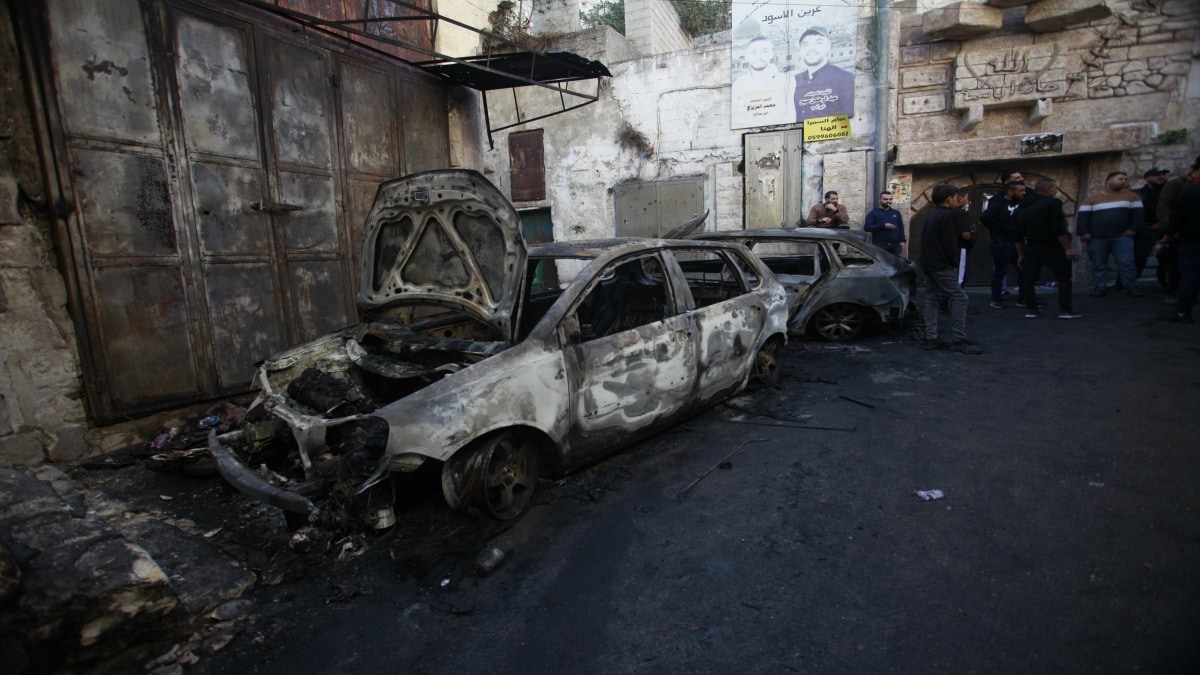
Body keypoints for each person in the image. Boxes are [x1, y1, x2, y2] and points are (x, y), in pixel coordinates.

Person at [920, 184, 982, 354]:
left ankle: (931, 337)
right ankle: (958, 339)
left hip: (930, 262)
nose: (958, 200)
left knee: (932, 298)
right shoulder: (948, 216)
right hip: (941, 264)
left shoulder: (932, 214)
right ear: (949, 199)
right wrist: (952, 263)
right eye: (956, 197)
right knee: (960, 298)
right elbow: (949, 243)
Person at [1014, 178, 1081, 319]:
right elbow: (1057, 228)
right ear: (1048, 189)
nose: (1056, 192)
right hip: (1052, 246)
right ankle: (1066, 310)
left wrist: (1021, 254)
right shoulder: (1052, 203)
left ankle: (1031, 309)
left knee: (1029, 278)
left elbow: (1017, 234)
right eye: (1055, 188)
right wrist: (1068, 248)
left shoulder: (1022, 207)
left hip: (1032, 246)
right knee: (1064, 278)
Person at [1076, 171, 1144, 296]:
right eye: (1120, 179)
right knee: (1098, 264)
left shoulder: (1131, 196)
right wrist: (1084, 232)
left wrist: (1133, 228)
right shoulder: (1092, 199)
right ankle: (1100, 287)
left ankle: (1131, 287)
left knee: (1126, 263)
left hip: (1122, 236)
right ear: (1109, 181)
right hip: (1097, 237)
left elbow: (1138, 215)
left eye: (1125, 179)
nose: (1123, 181)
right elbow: (1083, 217)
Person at [1161, 155, 1200, 323]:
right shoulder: (1182, 186)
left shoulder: (1190, 190)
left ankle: (1183, 312)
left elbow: (1178, 217)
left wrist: (1166, 237)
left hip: (1191, 239)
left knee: (1189, 276)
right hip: (1191, 238)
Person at [980, 181, 1026, 308]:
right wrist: (1000, 228)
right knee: (1000, 270)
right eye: (1020, 191)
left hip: (1017, 241)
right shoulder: (998, 204)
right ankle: (996, 299)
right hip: (1002, 241)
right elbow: (985, 217)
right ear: (1010, 192)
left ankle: (1023, 298)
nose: (1023, 193)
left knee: (1023, 269)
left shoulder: (1021, 204)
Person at [792, 26, 855, 121]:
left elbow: (848, 119)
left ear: (828, 46)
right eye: (806, 44)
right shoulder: (794, 81)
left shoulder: (844, 78)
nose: (811, 49)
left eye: (818, 43)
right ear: (800, 50)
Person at [731, 36, 795, 128]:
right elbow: (736, 119)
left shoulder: (787, 81)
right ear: (748, 56)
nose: (758, 56)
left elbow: (790, 117)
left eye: (764, 51)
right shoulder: (739, 84)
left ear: (771, 54)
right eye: (753, 52)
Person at [1133, 168, 1169, 280]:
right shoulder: (1137, 193)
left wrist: (1161, 223)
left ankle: (1166, 284)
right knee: (1137, 256)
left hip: (1164, 229)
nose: (1161, 177)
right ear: (1147, 178)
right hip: (1143, 229)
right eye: (1157, 175)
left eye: (1163, 174)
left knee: (1166, 258)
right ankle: (1128, 283)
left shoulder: (1169, 191)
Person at [863, 190, 905, 256]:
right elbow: (867, 227)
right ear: (879, 200)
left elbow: (901, 227)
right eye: (885, 199)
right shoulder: (874, 213)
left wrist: (902, 241)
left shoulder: (896, 213)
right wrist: (883, 226)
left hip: (895, 245)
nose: (888, 201)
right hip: (880, 245)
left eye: (890, 199)